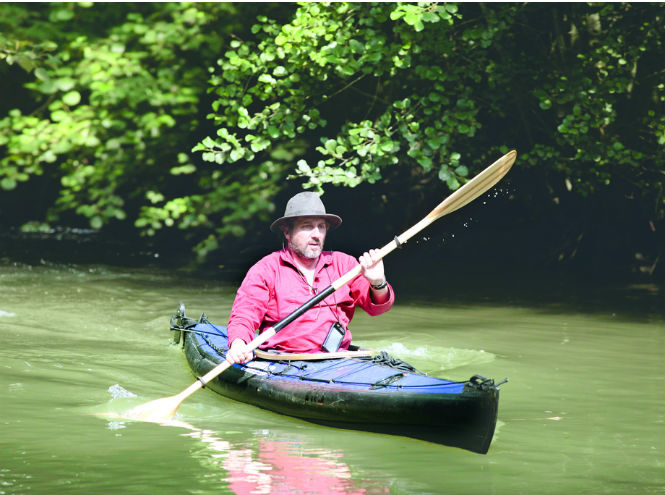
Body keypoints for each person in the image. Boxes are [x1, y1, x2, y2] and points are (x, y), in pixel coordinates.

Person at [225, 191, 395, 364]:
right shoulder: (265, 269)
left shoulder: (345, 264)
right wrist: (238, 344)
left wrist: (378, 283)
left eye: (321, 226)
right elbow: (244, 315)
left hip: (337, 360)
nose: (316, 234)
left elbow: (377, 308)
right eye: (307, 226)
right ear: (287, 231)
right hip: (282, 361)